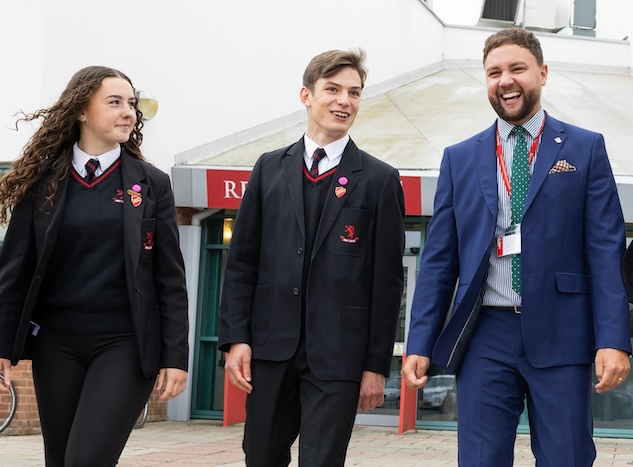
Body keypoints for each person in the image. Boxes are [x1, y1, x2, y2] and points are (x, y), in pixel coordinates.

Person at [401, 28, 631, 467]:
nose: (505, 80)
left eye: (517, 69)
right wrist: (419, 341)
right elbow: (438, 262)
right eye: (494, 72)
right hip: (486, 333)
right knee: (481, 460)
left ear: (542, 74)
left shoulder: (585, 148)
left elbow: (606, 252)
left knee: (568, 458)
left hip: (564, 333)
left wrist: (614, 339)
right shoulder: (459, 158)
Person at [218, 49, 405, 467]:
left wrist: (376, 367)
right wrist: (236, 338)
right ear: (306, 95)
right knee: (260, 457)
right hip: (270, 348)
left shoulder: (379, 180)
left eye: (354, 93)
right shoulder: (268, 169)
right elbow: (242, 263)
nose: (345, 101)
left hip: (338, 355)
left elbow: (387, 282)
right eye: (333, 89)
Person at [0, 66, 189, 466]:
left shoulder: (151, 183)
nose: (128, 113)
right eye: (115, 102)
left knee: (86, 460)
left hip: (124, 344)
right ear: (82, 111)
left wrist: (175, 356)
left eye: (132, 104)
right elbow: (13, 271)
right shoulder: (44, 181)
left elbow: (169, 278)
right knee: (60, 460)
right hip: (57, 345)